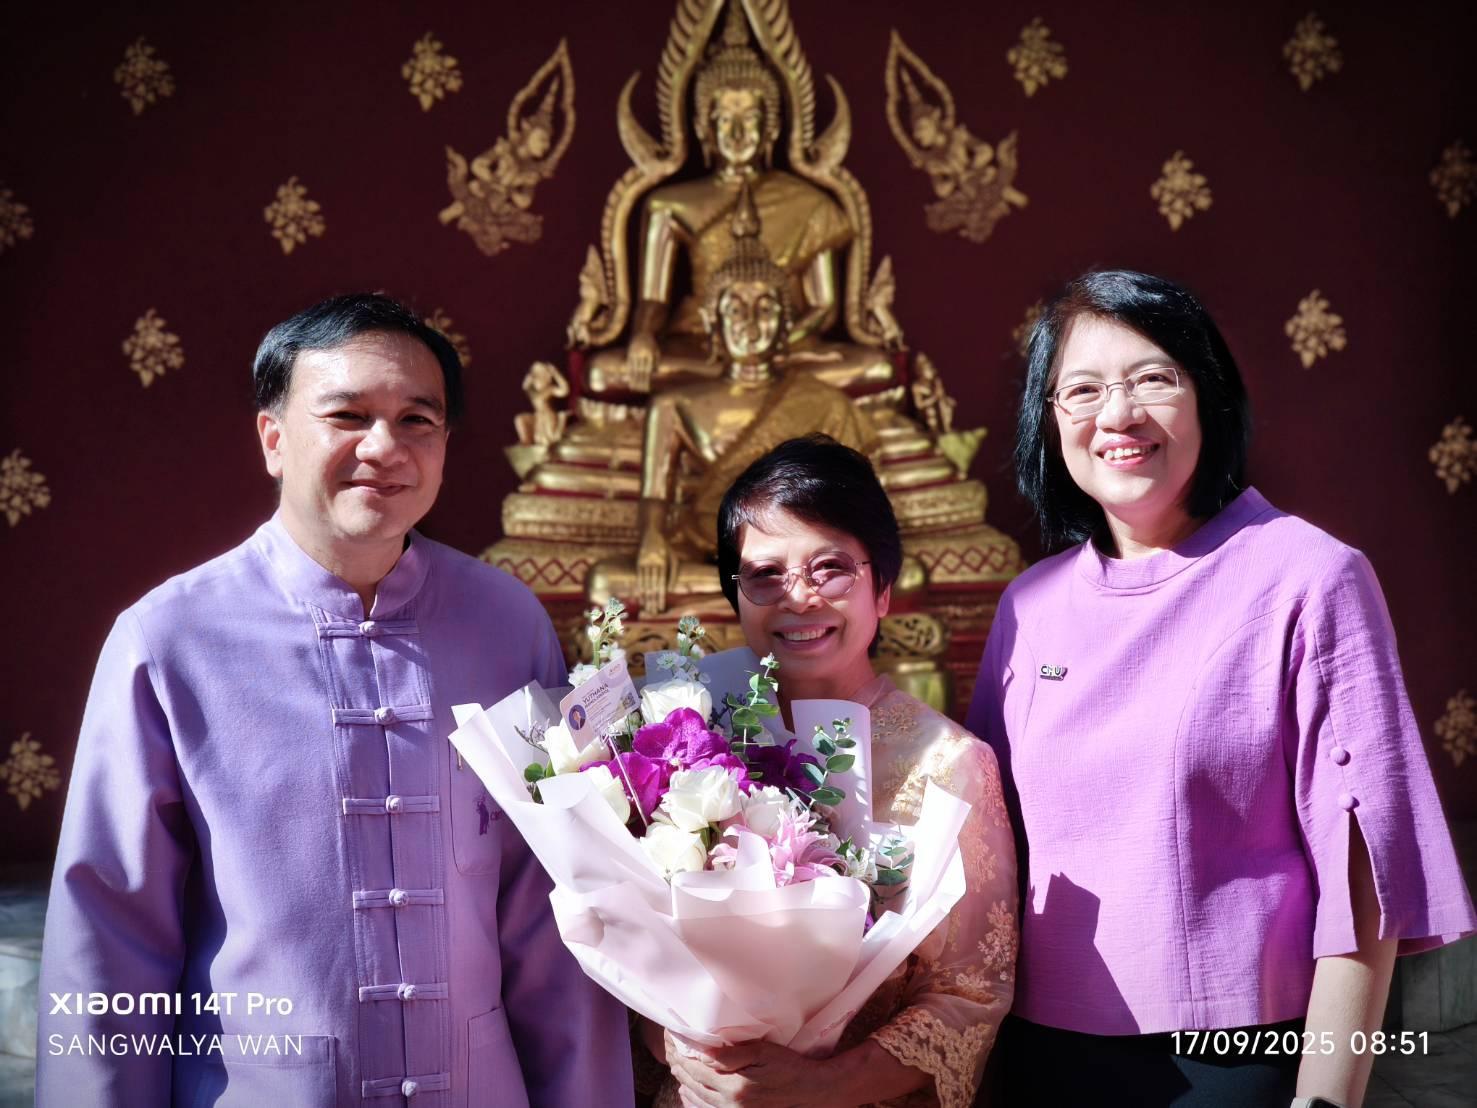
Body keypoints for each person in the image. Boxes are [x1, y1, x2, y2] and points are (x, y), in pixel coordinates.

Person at [36, 294, 633, 1106]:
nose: (384, 447)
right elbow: (110, 940)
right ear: (273, 438)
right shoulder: (169, 639)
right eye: (347, 416)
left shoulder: (506, 623)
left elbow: (550, 908)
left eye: (417, 420)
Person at [966, 269, 1476, 1107]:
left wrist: (1326, 1099)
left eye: (1152, 378)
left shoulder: (1309, 577)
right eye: (1082, 390)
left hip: (1229, 1056)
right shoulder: (1029, 606)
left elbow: (1361, 877)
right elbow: (986, 846)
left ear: (1208, 395)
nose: (1117, 415)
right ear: (1048, 421)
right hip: (1036, 1054)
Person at [636, 435, 1017, 1108]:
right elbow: (631, 947)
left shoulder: (949, 763)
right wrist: (680, 1046)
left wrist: (818, 1086)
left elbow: (969, 992)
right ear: (736, 596)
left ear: (883, 590)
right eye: (765, 575)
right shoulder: (688, 744)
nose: (799, 598)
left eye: (829, 569)